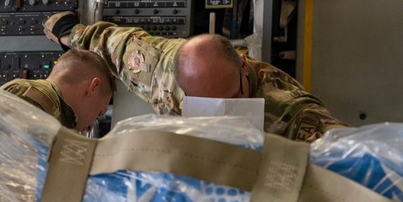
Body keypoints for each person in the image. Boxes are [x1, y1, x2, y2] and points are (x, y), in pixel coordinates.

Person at [43, 11, 347, 143]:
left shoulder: (287, 110)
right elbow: (114, 43)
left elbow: (349, 152)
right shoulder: (160, 69)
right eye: (203, 103)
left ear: (243, 66)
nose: (218, 112)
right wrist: (70, 34)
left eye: (230, 100)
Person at [0, 49, 115, 134]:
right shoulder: (33, 98)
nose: (90, 127)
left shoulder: (55, 109)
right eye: (99, 113)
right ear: (93, 88)